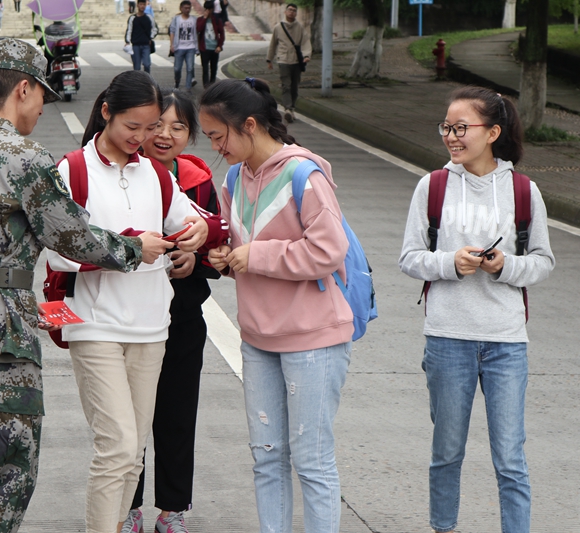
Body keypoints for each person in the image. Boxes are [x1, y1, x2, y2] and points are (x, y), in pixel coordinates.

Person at [0, 37, 170, 533]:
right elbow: (72, 236)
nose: (41, 111)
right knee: (8, 477)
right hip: (4, 336)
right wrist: (135, 250)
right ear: (24, 90)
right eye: (42, 98)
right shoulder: (25, 158)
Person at [45, 71, 228, 533]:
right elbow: (55, 250)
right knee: (119, 447)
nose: (145, 138)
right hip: (95, 326)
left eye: (151, 128)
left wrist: (201, 232)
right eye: (134, 127)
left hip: (152, 328)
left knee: (133, 452)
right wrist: (130, 246)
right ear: (106, 112)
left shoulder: (157, 175)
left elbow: (202, 221)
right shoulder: (73, 170)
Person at [399, 86, 555, 533]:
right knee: (447, 452)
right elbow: (410, 257)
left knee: (510, 456)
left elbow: (543, 262)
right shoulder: (432, 186)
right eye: (447, 126)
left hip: (506, 342)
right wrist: (451, 263)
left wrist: (505, 265)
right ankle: (443, 527)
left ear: (493, 132)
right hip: (447, 337)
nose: (451, 136)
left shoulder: (524, 191)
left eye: (461, 127)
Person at [201, 77, 353, 533]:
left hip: (312, 337)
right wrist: (226, 259)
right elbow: (240, 244)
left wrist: (256, 256)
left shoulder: (304, 174)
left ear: (250, 125)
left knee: (311, 460)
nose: (215, 147)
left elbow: (329, 251)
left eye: (218, 135)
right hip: (258, 336)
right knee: (267, 458)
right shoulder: (234, 177)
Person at [122, 89, 222, 533]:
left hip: (182, 318)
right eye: (156, 125)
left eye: (178, 127)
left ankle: (173, 509)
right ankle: (129, 506)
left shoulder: (198, 181)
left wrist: (193, 260)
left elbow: (217, 241)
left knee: (178, 415)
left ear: (190, 135)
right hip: (131, 316)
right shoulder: (121, 175)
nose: (165, 135)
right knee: (129, 419)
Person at [266, 3, 311, 123]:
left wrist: (306, 55)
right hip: (283, 60)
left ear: (296, 13)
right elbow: (273, 44)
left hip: (296, 60)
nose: (292, 12)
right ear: (285, 12)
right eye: (290, 10)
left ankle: (292, 108)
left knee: (294, 87)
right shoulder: (278, 27)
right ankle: (287, 109)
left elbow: (306, 42)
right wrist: (269, 59)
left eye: (294, 10)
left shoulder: (299, 27)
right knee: (286, 85)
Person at [169, 1, 197, 90]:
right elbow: (172, 31)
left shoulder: (194, 19)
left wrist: (197, 47)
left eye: (189, 8)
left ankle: (188, 89)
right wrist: (171, 45)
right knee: (177, 68)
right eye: (185, 8)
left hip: (191, 47)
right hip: (179, 47)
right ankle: (177, 82)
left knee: (190, 68)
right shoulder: (177, 19)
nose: (187, 10)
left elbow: (197, 33)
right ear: (181, 8)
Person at [196, 1, 224, 88]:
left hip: (214, 48)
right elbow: (198, 29)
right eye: (206, 9)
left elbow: (222, 34)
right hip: (204, 48)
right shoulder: (200, 20)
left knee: (213, 68)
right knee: (205, 68)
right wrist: (204, 18)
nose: (208, 11)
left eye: (209, 9)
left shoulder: (217, 20)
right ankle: (206, 85)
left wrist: (219, 46)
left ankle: (212, 84)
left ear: (212, 9)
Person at [125, 0, 157, 74]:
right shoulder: (132, 18)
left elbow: (155, 29)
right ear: (137, 5)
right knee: (137, 67)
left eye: (144, 4)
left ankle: (147, 80)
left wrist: (150, 37)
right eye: (141, 4)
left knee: (147, 64)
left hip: (146, 44)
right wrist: (127, 41)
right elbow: (129, 30)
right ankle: (137, 83)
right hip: (135, 45)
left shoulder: (149, 17)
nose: (142, 6)